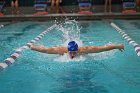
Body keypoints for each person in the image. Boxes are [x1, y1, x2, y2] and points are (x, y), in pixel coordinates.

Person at [30, 41, 124, 59]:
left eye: (74, 52)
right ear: (67, 50)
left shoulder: (84, 50)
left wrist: (117, 46)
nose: (72, 55)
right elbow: (45, 50)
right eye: (70, 52)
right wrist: (33, 47)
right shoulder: (61, 50)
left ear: (77, 50)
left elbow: (101, 49)